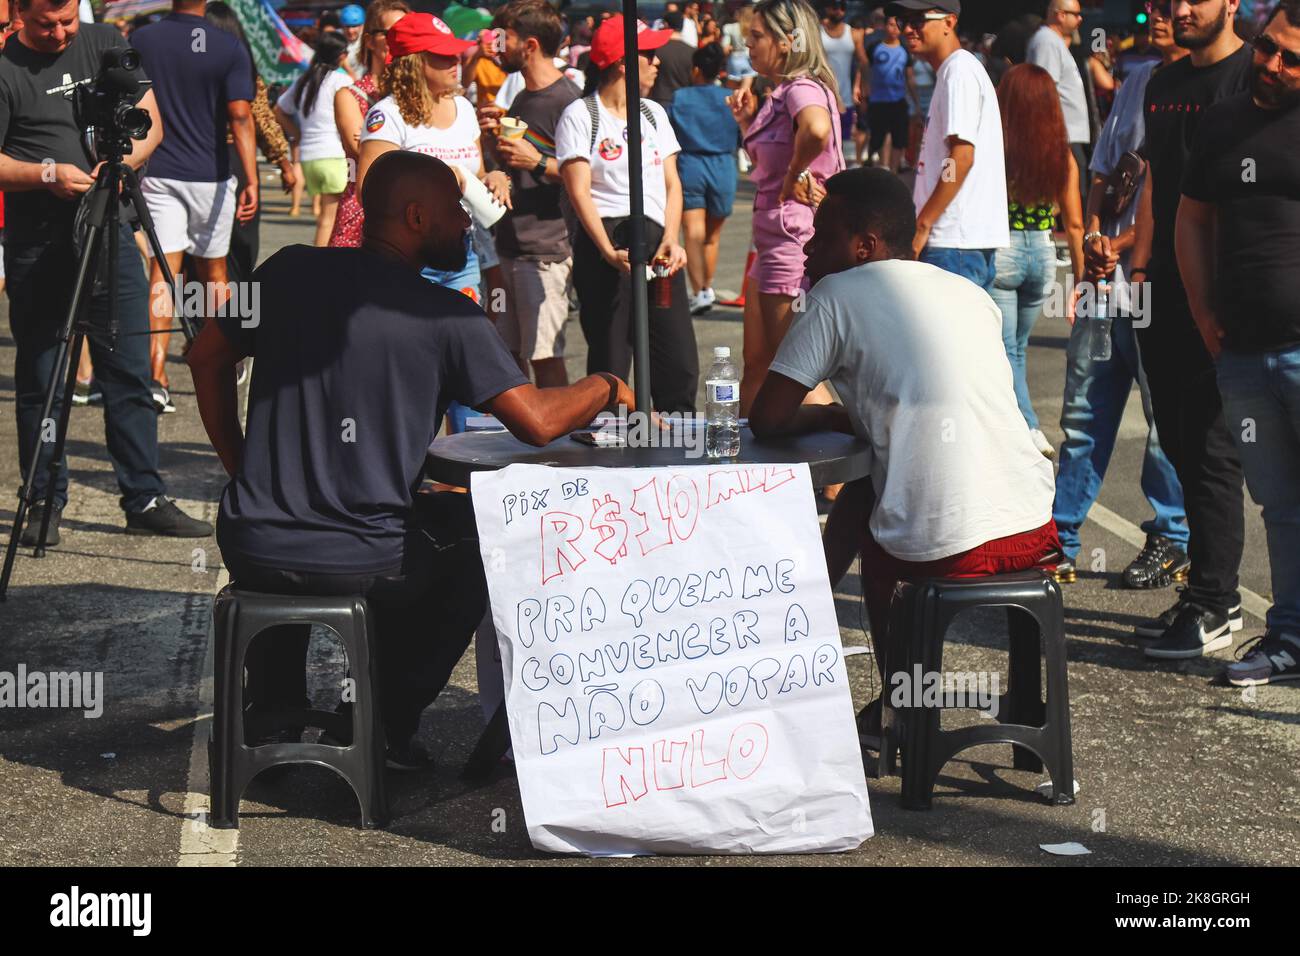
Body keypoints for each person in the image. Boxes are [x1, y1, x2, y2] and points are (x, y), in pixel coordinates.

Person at [186, 150, 635, 765]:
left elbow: (205, 357)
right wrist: (606, 385)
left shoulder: (286, 271)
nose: (465, 226)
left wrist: (243, 469)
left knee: (383, 520)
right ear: (418, 216)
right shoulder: (447, 315)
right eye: (455, 212)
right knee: (474, 544)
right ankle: (382, 722)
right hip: (361, 558)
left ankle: (273, 709)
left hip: (251, 536)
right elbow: (537, 421)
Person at [749, 166, 1059, 740]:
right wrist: (857, 415)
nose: (808, 247)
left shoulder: (835, 294)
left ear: (864, 247)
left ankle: (902, 707)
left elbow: (766, 418)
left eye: (823, 234)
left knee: (882, 525)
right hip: (1033, 524)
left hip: (947, 545)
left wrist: (836, 414)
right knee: (874, 482)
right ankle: (813, 609)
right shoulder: (968, 292)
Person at [0, 0, 212, 543]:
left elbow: (150, 121)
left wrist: (125, 163)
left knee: (129, 369)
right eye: (46, 24)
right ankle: (44, 498)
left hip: (112, 229)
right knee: (43, 375)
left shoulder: (104, 43)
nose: (60, 32)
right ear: (18, 13)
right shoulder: (4, 67)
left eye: (68, 19)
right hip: (39, 241)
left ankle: (143, 495)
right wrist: (46, 172)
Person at [1123, 0, 1251, 659]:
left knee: (1211, 449)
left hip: (1223, 293)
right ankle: (1204, 590)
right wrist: (1139, 270)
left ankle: (1216, 602)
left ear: (1231, 2)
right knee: (1173, 436)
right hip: (1162, 289)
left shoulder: (1252, 74)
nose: (1179, 9)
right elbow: (1153, 183)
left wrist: (1223, 298)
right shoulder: (1164, 83)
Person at [1177, 0, 1300, 682]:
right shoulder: (1225, 121)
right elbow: (1192, 219)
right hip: (1245, 357)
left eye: (1291, 59)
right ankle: (1290, 637)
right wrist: (1201, 310)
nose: (1272, 64)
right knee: (1280, 505)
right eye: (1267, 47)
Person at [1051, 2, 1188, 589]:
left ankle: (1172, 537)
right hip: (1108, 278)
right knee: (1084, 413)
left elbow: (1183, 195)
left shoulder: (1213, 87)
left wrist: (1125, 241)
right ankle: (1059, 539)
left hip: (1160, 276)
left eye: (1171, 6)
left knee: (1165, 421)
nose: (1159, 15)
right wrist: (1093, 244)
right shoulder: (1136, 79)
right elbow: (1106, 169)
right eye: (1153, 6)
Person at [556, 14, 698, 414]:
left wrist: (672, 237)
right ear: (623, 62)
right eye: (649, 54)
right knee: (612, 356)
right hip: (608, 243)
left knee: (678, 357)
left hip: (659, 243)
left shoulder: (653, 113)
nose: (657, 62)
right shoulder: (582, 115)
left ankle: (676, 444)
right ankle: (611, 441)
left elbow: (672, 183)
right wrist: (604, 249)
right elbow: (579, 190)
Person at [130, 0, 257, 414]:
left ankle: (155, 375)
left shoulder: (143, 39)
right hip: (212, 175)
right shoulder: (227, 46)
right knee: (214, 273)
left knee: (162, 274)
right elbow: (240, 116)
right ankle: (224, 360)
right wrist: (252, 178)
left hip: (160, 171)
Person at [728, 0, 842, 414]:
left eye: (756, 37)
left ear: (786, 40)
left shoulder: (802, 88)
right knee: (757, 363)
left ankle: (839, 477)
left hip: (792, 241)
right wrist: (747, 124)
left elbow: (816, 129)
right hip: (771, 243)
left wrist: (797, 170)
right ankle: (745, 468)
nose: (749, 47)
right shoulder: (781, 93)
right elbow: (768, 169)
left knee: (793, 372)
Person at [356, 12, 510, 305]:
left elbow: (476, 174)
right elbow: (370, 193)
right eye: (444, 56)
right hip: (409, 256)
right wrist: (438, 181)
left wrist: (493, 177)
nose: (457, 62)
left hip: (461, 250)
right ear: (415, 62)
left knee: (461, 338)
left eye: (456, 54)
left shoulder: (464, 108)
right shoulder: (387, 115)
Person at [484, 0, 580, 389]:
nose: (496, 46)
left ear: (530, 44)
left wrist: (537, 161)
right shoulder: (523, 97)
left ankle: (559, 442)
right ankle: (518, 439)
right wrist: (494, 147)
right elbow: (514, 168)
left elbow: (583, 176)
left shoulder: (568, 101)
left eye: (504, 38)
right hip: (508, 244)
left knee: (545, 358)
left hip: (545, 252)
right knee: (507, 357)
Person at [991, 63, 1083, 460]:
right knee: (1018, 349)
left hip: (1002, 251)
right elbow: (1075, 224)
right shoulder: (1060, 155)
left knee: (1005, 350)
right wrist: (1081, 283)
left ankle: (1026, 428)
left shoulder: (995, 147)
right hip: (1044, 255)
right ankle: (1020, 426)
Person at [891, 0, 1008, 293]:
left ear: (949, 22)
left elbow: (962, 157)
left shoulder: (959, 71)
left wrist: (923, 225)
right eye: (903, 20)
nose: (907, 29)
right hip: (958, 242)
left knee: (941, 338)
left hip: (953, 241)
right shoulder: (955, 70)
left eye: (918, 20)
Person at [329, 0, 411, 249]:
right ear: (369, 40)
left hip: (408, 214)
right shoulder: (349, 95)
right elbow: (368, 157)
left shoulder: (417, 95)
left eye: (407, 31)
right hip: (361, 214)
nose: (399, 39)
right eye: (390, 32)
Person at [671, 42, 739, 316]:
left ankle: (699, 292)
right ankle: (707, 288)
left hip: (690, 165)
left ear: (696, 69)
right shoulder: (730, 98)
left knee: (693, 234)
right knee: (712, 236)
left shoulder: (679, 98)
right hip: (723, 166)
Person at [275, 33, 351, 248]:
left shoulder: (304, 80)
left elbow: (279, 110)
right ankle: (320, 265)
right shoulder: (341, 80)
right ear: (340, 56)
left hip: (309, 157)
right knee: (329, 220)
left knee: (325, 218)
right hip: (333, 155)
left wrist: (297, 134)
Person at [1026, 0, 1091, 204]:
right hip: (1061, 133)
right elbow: (1044, 90)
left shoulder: (1052, 41)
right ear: (1061, 15)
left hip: (1066, 132)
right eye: (1076, 14)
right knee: (1070, 189)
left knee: (1073, 185)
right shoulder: (1047, 41)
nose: (1080, 19)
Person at [861, 13, 917, 172]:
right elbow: (865, 70)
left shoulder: (904, 50)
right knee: (878, 136)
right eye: (891, 24)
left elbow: (910, 77)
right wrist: (864, 94)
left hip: (898, 100)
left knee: (898, 137)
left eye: (897, 25)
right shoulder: (874, 47)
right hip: (878, 100)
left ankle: (892, 171)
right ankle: (877, 163)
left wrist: (916, 102)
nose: (894, 29)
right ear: (885, 26)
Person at [819, 1, 858, 154]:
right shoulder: (817, 32)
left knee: (844, 143)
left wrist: (858, 86)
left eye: (843, 8)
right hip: (822, 97)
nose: (839, 11)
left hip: (846, 97)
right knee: (825, 143)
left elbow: (863, 63)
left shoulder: (853, 33)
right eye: (835, 7)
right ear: (827, 7)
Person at [648, 9, 696, 109]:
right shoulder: (693, 52)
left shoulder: (655, 50)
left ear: (666, 24)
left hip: (659, 103)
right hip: (685, 103)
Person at [339, 3, 365, 77]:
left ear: (362, 26)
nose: (350, 31)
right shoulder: (336, 41)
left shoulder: (368, 42)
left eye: (354, 26)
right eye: (347, 27)